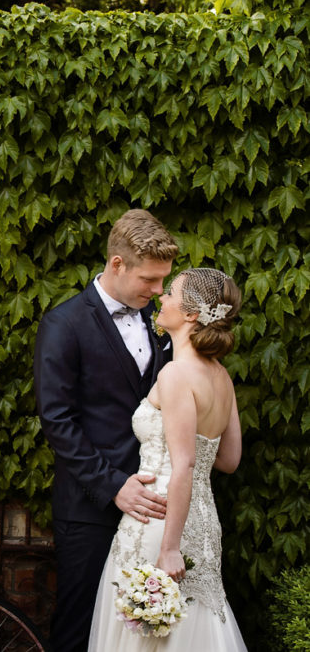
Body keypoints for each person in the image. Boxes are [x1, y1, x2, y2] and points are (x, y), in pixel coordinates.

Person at [34, 209, 180, 652]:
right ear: (117, 265)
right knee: (80, 629)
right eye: (150, 280)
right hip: (89, 507)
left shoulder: (161, 320)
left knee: (147, 633)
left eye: (163, 282)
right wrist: (114, 486)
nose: (158, 291)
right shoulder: (64, 324)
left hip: (155, 505)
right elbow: (58, 421)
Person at [88, 268, 246, 650]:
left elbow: (184, 464)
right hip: (203, 521)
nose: (162, 297)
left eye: (171, 292)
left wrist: (170, 546)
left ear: (191, 313)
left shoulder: (176, 374)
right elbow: (228, 460)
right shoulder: (221, 376)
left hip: (159, 520)